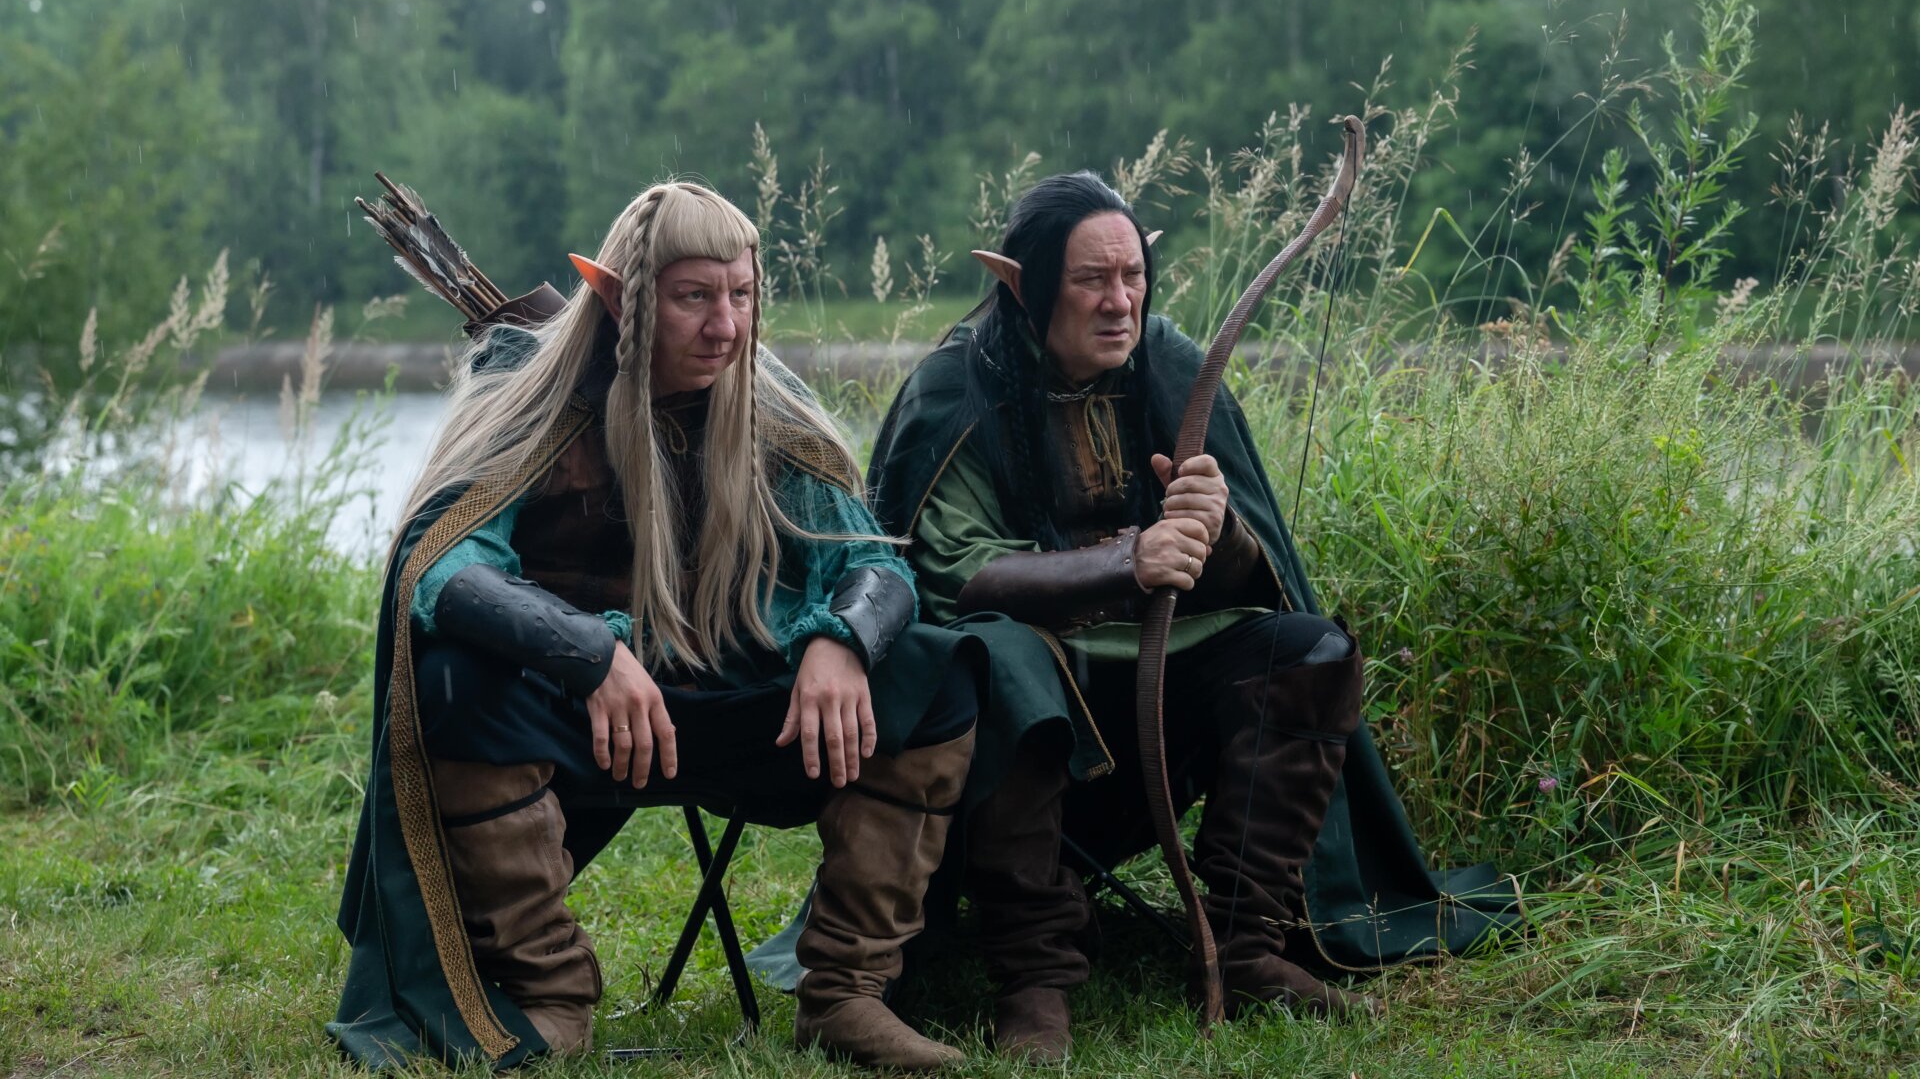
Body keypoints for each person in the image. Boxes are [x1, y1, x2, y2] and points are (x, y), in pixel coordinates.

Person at [329, 181, 978, 1072]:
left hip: (740, 704)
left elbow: (871, 561)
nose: (726, 326)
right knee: (453, 682)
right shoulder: (531, 396)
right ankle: (549, 995)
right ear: (617, 297)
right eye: (693, 297)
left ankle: (845, 995)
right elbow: (442, 564)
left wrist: (841, 640)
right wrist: (590, 653)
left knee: (934, 674)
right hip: (587, 720)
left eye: (741, 294)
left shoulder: (767, 404)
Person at [867, 171, 1517, 1061]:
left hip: (1164, 689)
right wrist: (1125, 562)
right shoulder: (957, 388)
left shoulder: (1170, 366)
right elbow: (956, 576)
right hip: (1021, 716)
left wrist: (1220, 531)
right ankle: (1035, 974)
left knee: (1307, 654)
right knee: (1005, 658)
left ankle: (1245, 944)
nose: (1119, 302)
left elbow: (1252, 576)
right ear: (1023, 285)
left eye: (1132, 276)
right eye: (1091, 280)